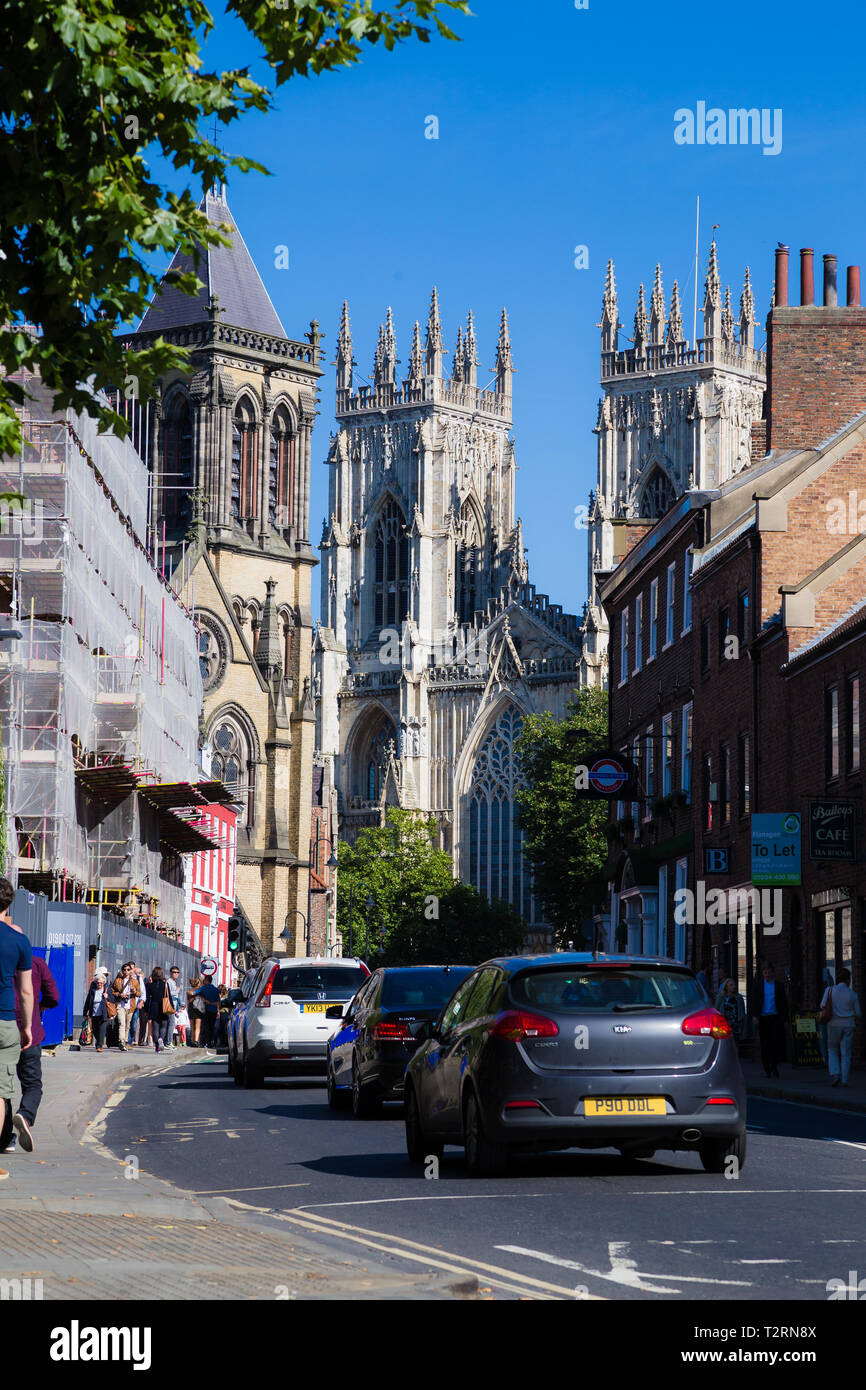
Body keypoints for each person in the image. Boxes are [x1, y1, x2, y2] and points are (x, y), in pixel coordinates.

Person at [0, 922, 59, 1154]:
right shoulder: (37, 963)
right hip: (29, 1032)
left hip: (5, 1026)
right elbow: (53, 996)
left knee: (3, 1090)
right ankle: (25, 1115)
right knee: (32, 1083)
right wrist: (38, 1008)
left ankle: (5, 1140)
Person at [0, 876, 33, 1180]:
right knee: (0, 1093)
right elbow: (25, 991)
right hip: (4, 1021)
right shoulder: (19, 940)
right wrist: (26, 1027)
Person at [820, 967, 862, 1088]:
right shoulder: (853, 994)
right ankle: (844, 1080)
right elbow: (858, 1013)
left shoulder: (829, 990)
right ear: (848, 980)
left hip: (833, 1024)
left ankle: (835, 1074)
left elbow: (822, 1005)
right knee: (846, 1053)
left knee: (832, 1049)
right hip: (848, 1025)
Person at [749, 962, 789, 1078]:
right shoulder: (758, 986)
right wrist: (754, 1016)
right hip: (763, 1018)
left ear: (773, 973)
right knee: (765, 1044)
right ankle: (767, 1068)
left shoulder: (779, 985)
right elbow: (754, 1002)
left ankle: (774, 1066)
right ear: (762, 973)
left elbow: (783, 1003)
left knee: (775, 1043)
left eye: (769, 972)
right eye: (765, 972)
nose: (767, 974)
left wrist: (785, 1019)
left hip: (775, 1017)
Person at [111, 961, 140, 1052]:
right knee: (122, 1023)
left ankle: (126, 1041)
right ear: (122, 971)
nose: (126, 971)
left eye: (128, 969)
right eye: (124, 970)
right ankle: (122, 1041)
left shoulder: (135, 982)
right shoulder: (118, 981)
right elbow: (112, 991)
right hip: (120, 1005)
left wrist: (134, 991)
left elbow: (139, 993)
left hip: (130, 1005)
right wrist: (120, 995)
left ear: (130, 971)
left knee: (127, 1025)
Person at [83, 966, 111, 1051]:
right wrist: (85, 1013)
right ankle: (99, 1041)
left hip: (103, 1013)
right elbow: (88, 1001)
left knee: (102, 1030)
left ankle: (99, 1046)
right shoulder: (93, 990)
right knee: (95, 1030)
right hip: (94, 1013)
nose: (100, 984)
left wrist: (107, 997)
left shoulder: (107, 988)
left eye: (101, 983)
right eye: (98, 983)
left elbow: (112, 1000)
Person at [190, 973, 220, 1050]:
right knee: (211, 1027)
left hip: (204, 1010)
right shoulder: (216, 990)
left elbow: (193, 993)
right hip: (213, 1010)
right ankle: (210, 1043)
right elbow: (218, 1002)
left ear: (206, 980)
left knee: (204, 1027)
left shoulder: (203, 988)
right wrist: (217, 1010)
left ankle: (203, 1043)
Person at [146, 966, 172, 1053]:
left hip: (154, 1007)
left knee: (155, 1026)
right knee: (164, 1025)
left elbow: (147, 998)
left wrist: (146, 1010)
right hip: (164, 1007)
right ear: (161, 974)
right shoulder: (165, 984)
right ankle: (161, 1039)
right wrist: (171, 1006)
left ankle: (157, 1047)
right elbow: (169, 997)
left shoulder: (150, 985)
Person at [715, 977, 746, 1041]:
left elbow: (742, 1013)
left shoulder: (739, 997)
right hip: (724, 1025)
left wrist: (743, 1029)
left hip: (736, 1025)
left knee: (736, 1043)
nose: (733, 986)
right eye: (731, 985)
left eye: (734, 985)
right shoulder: (721, 997)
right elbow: (716, 1010)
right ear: (726, 987)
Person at [166, 966, 182, 1048]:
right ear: (170, 973)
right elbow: (168, 993)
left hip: (173, 1005)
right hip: (169, 1005)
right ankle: (168, 1041)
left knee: (170, 1023)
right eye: (174, 972)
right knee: (171, 1023)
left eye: (177, 972)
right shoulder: (169, 981)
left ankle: (168, 1041)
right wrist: (177, 991)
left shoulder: (173, 982)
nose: (175, 974)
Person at [187, 976, 204, 1048]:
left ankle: (193, 1040)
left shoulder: (189, 991)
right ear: (199, 983)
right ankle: (197, 1041)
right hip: (198, 1009)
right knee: (198, 1026)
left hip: (191, 1008)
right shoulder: (200, 991)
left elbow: (188, 1001)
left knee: (192, 1026)